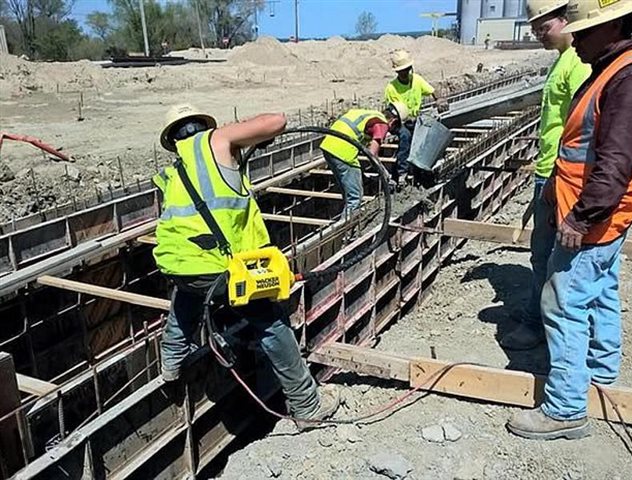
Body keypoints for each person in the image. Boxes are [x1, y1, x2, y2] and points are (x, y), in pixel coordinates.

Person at [152, 104, 340, 426]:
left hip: (178, 264)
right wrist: (244, 135)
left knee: (189, 294)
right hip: (217, 265)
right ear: (203, 125)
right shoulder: (216, 139)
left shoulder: (175, 171)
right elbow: (276, 119)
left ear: (173, 138)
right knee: (271, 322)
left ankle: (171, 360)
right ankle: (307, 406)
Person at [508, 0, 632, 440]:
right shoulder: (611, 68)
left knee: (561, 302)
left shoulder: (628, 78)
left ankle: (565, 407)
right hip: (595, 210)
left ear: (616, 26)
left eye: (585, 32)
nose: (577, 40)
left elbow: (616, 162)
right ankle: (600, 372)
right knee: (599, 289)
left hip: (594, 215)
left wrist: (581, 218)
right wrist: (554, 186)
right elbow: (582, 146)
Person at [499, 0, 591, 351]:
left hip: (561, 175)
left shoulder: (578, 64)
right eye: (534, 27)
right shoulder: (562, 61)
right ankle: (541, 319)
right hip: (551, 171)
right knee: (544, 255)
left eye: (544, 25)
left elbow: (583, 128)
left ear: (565, 20)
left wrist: (556, 178)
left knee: (550, 257)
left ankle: (539, 326)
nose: (538, 33)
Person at [319, 102, 408, 217]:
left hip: (328, 147)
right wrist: (385, 175)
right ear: (394, 121)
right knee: (355, 198)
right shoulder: (382, 124)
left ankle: (346, 219)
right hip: (343, 153)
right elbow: (372, 155)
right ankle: (346, 231)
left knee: (348, 192)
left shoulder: (369, 114)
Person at [383, 50, 446, 187]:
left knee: (425, 134)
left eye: (406, 70)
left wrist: (440, 99)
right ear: (397, 72)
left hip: (414, 120)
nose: (405, 73)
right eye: (402, 71)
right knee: (405, 136)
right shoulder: (391, 88)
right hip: (398, 121)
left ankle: (422, 171)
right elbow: (394, 114)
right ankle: (402, 173)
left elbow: (433, 90)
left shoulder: (416, 80)